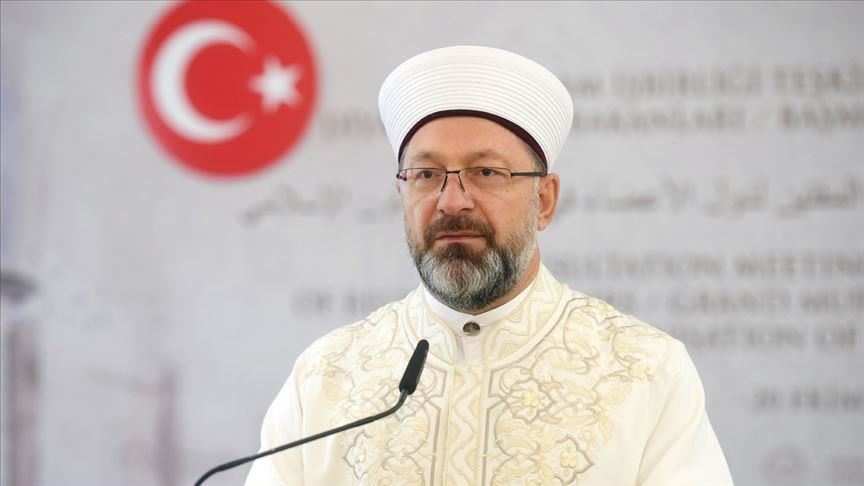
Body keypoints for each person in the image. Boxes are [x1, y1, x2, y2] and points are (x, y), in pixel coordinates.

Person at [245, 46, 733, 485]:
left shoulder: (645, 371)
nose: (451, 201)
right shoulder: (325, 377)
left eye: (485, 172)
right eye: (426, 174)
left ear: (544, 201)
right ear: (402, 194)